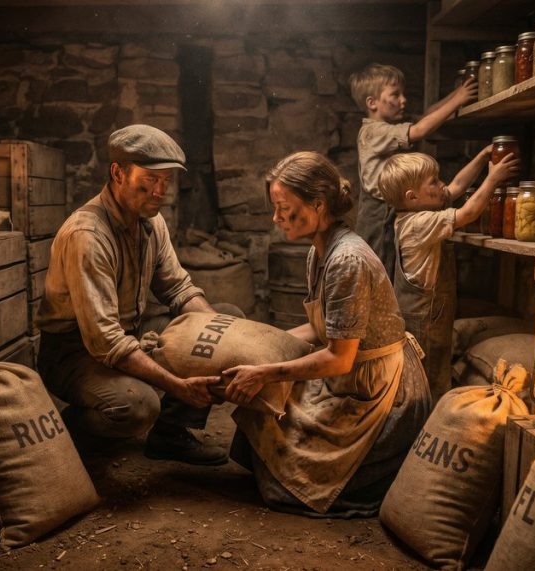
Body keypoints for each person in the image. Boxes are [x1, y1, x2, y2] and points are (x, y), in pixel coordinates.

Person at [225, 151, 431, 517]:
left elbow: (339, 356)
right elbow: (325, 327)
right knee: (263, 408)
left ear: (318, 206)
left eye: (284, 208)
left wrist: (267, 371)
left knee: (288, 454)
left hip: (379, 390)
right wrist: (258, 343)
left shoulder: (346, 260)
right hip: (350, 374)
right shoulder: (319, 252)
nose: (276, 218)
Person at [35, 124, 240, 466]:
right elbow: (106, 342)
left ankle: (169, 435)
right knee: (137, 406)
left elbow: (178, 288)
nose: (160, 191)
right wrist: (177, 385)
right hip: (75, 351)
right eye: (150, 179)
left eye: (167, 181)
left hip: (129, 332)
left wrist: (220, 334)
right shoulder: (87, 235)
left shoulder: (151, 220)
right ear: (118, 173)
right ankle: (67, 435)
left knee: (226, 321)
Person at [377, 150, 519, 402]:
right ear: (413, 197)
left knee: (434, 374)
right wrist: (493, 179)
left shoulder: (413, 212)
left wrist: (482, 156)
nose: (442, 185)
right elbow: (468, 213)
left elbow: (456, 186)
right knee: (427, 379)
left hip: (427, 314)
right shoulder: (418, 223)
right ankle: (424, 427)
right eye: (433, 181)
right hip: (424, 321)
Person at [350, 63, 477, 279]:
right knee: (378, 267)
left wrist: (459, 92)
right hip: (378, 212)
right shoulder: (373, 131)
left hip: (388, 208)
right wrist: (458, 100)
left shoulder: (386, 128)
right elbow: (420, 130)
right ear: (372, 103)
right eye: (395, 95)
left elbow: (427, 116)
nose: (403, 100)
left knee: (390, 263)